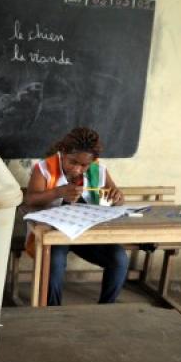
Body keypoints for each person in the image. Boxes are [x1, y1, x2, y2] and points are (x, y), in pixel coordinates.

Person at [24, 127, 129, 306]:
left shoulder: (98, 170)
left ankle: (107, 307)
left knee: (119, 258)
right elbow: (30, 200)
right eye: (73, 162)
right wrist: (58, 192)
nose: (78, 169)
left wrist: (117, 197)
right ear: (63, 152)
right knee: (54, 262)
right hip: (54, 234)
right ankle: (53, 310)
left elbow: (117, 200)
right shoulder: (44, 168)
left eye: (84, 165)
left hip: (86, 234)